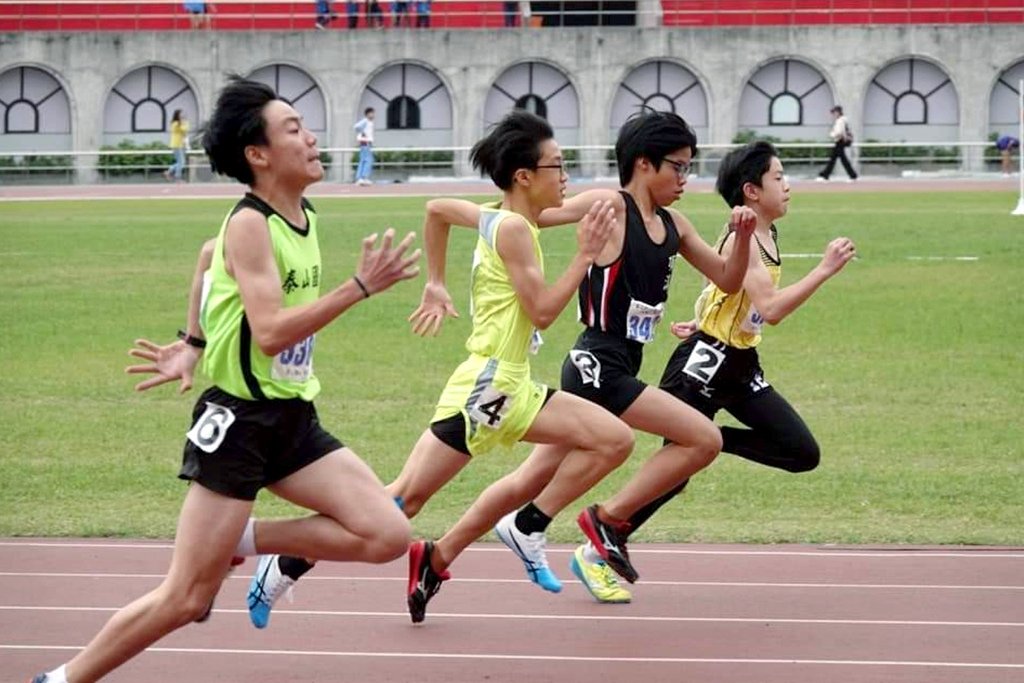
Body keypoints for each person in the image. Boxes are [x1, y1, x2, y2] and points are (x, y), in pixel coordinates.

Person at [25, 76, 420, 683]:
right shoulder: (251, 222)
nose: (311, 137)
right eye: (293, 130)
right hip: (237, 425)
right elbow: (268, 332)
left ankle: (246, 539)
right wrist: (358, 288)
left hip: (291, 420)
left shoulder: (300, 214)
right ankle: (62, 678)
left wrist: (193, 342)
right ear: (257, 156)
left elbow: (209, 256)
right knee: (185, 598)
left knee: (387, 533)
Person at [244, 109, 635, 628]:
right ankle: (286, 556)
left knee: (613, 440)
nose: (566, 177)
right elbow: (541, 311)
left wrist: (436, 281)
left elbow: (436, 209)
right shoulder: (515, 230)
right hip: (488, 389)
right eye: (557, 167)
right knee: (400, 503)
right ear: (523, 176)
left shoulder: (500, 216)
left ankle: (528, 524)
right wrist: (584, 255)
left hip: (513, 382)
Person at [421, 111, 757, 602]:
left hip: (620, 363)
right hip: (596, 365)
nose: (685, 179)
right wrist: (489, 219)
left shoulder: (674, 224)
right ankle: (594, 523)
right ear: (644, 164)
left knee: (525, 481)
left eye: (689, 168)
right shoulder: (608, 204)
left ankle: (437, 557)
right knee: (702, 440)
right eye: (677, 167)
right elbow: (533, 215)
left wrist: (743, 236)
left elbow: (728, 278)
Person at [582, 140, 857, 602]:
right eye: (778, 178)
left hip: (740, 362)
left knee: (799, 451)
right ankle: (599, 543)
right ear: (751, 190)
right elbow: (769, 308)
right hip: (705, 364)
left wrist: (700, 315)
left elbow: (721, 287)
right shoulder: (741, 237)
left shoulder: (763, 233)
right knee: (676, 472)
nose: (787, 186)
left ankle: (709, 444)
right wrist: (824, 270)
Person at [817, 105, 858, 182]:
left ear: (838, 112)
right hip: (840, 141)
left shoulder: (840, 121)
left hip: (839, 141)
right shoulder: (843, 120)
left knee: (839, 160)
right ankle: (825, 175)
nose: (833, 114)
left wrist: (832, 134)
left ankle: (852, 175)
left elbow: (839, 132)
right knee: (835, 159)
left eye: (834, 112)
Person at [163, 109, 189, 182]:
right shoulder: (175, 123)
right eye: (181, 114)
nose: (182, 116)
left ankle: (169, 172)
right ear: (177, 115)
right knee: (181, 162)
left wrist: (184, 122)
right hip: (176, 145)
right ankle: (177, 177)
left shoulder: (184, 123)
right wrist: (183, 122)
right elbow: (183, 129)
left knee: (181, 162)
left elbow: (186, 129)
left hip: (182, 145)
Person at [353, 107, 375, 185]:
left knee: (363, 159)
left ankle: (360, 177)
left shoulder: (369, 122)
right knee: (368, 159)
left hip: (365, 142)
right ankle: (363, 177)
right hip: (365, 142)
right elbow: (356, 127)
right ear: (368, 114)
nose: (373, 115)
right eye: (372, 113)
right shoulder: (365, 121)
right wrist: (363, 134)